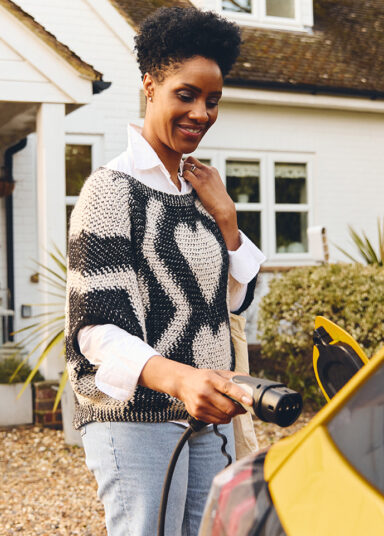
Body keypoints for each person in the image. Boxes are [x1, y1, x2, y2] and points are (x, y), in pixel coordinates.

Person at [66, 7, 264, 535]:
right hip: (136, 420)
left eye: (213, 100)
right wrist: (181, 379)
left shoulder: (201, 191)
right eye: (186, 94)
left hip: (208, 415)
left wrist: (227, 219)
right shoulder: (111, 190)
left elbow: (232, 305)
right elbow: (96, 330)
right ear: (150, 85)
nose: (202, 112)